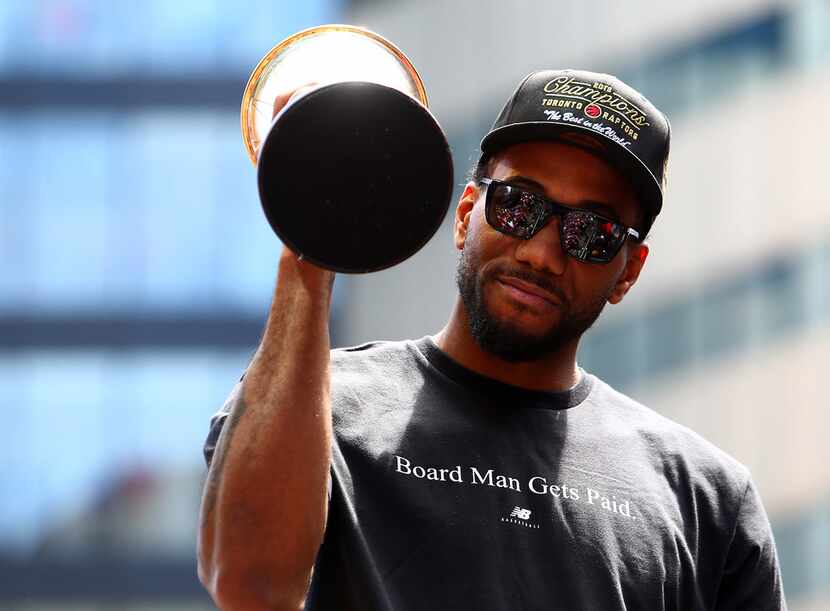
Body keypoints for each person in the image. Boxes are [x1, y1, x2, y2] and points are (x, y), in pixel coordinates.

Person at [197, 70, 787, 610]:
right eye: (519, 205)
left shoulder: (706, 498)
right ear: (467, 213)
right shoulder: (320, 408)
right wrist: (313, 236)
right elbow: (250, 583)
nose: (541, 252)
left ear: (628, 271)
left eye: (593, 233)